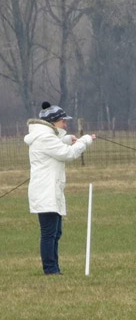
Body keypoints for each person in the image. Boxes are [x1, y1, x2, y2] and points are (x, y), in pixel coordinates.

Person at [24, 102, 96, 275]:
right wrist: (85, 140)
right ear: (52, 122)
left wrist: (66, 138)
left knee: (56, 233)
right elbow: (67, 154)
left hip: (50, 191)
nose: (65, 124)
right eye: (63, 121)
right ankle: (50, 270)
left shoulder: (45, 137)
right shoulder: (45, 138)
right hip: (45, 192)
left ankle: (54, 268)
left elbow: (56, 146)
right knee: (49, 234)